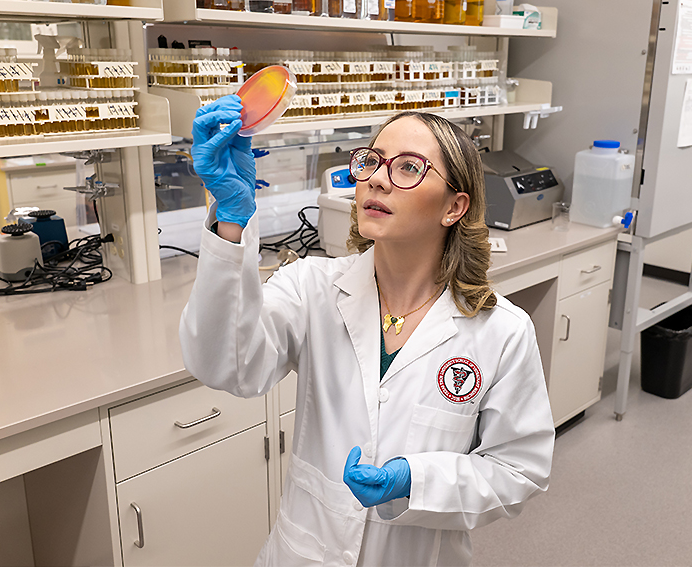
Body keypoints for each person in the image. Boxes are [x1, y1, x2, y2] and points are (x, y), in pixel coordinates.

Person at [179, 94, 555, 566]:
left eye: (408, 168)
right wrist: (232, 217)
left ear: (454, 207)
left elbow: (519, 470)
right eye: (372, 161)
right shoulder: (311, 288)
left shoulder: (501, 331)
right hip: (305, 552)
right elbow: (226, 366)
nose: (377, 177)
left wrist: (416, 480)